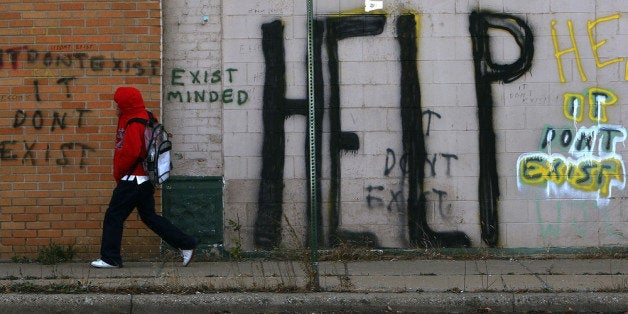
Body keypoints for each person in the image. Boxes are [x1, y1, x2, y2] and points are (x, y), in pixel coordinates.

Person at [91, 86, 198, 268]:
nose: (116, 108)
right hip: (146, 179)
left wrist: (119, 174)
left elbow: (130, 153)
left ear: (126, 105)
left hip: (133, 178)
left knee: (113, 216)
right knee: (149, 216)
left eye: (118, 104)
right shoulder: (147, 117)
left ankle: (110, 258)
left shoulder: (133, 123)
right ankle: (186, 243)